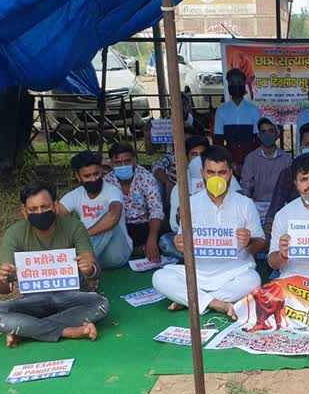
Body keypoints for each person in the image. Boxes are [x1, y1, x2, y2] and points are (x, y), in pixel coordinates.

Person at [0, 182, 109, 347]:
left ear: (55, 206)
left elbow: (95, 272)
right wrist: (3, 278)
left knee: (101, 304)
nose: (40, 212)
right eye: (33, 209)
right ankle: (68, 331)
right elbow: (4, 289)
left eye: (45, 206)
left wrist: (89, 268)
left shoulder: (74, 227)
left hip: (71, 298)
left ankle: (27, 330)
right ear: (24, 212)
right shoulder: (14, 233)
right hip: (33, 301)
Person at [153, 147, 265, 317]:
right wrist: (180, 244)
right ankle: (217, 304)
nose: (216, 178)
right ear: (202, 172)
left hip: (235, 273)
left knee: (253, 280)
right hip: (197, 275)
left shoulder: (245, 203)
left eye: (222, 173)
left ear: (231, 173)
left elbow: (261, 244)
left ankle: (191, 301)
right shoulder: (189, 203)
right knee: (159, 278)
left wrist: (249, 242)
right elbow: (185, 248)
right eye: (210, 172)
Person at [57, 151, 132, 269]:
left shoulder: (112, 191)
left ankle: (74, 267)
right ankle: (81, 265)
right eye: (87, 176)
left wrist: (82, 236)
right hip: (92, 254)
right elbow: (57, 215)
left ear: (101, 171)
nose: (93, 179)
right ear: (78, 176)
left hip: (117, 254)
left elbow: (113, 218)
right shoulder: (75, 195)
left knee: (107, 220)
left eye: (96, 174)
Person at [104, 142, 164, 262]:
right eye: (118, 163)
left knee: (163, 241)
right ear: (111, 164)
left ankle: (141, 249)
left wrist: (152, 240)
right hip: (120, 228)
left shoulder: (146, 178)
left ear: (134, 161)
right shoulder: (106, 182)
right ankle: (139, 250)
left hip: (144, 226)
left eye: (127, 161)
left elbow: (156, 210)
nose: (123, 165)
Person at [241, 117, 292, 222]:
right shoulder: (251, 158)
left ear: (277, 134)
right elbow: (246, 186)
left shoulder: (286, 158)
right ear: (259, 135)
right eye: (263, 132)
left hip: (280, 206)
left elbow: (290, 186)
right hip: (257, 206)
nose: (267, 135)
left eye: (270, 131)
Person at [213, 68, 262, 171]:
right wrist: (231, 163)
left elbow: (257, 141)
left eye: (239, 82)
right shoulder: (221, 110)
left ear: (244, 84)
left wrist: (248, 163)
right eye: (232, 82)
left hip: (251, 162)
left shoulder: (254, 110)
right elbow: (218, 141)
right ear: (228, 85)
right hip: (228, 163)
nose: (236, 85)